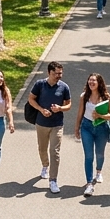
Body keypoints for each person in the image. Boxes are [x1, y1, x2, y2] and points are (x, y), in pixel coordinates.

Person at [28, 61, 71, 194]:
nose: (59, 75)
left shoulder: (64, 87)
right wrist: (41, 110)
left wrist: (60, 108)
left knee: (55, 151)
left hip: (57, 124)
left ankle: (53, 180)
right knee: (42, 148)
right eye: (56, 73)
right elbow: (31, 99)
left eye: (60, 73)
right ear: (49, 73)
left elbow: (68, 104)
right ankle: (45, 165)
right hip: (41, 123)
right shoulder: (40, 85)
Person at [76, 73, 110, 197]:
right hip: (86, 127)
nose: (91, 83)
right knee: (89, 156)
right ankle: (89, 183)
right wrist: (77, 128)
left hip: (101, 127)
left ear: (99, 83)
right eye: (89, 80)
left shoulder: (106, 96)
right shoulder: (84, 96)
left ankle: (98, 171)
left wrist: (101, 116)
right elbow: (80, 113)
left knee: (100, 153)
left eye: (94, 81)